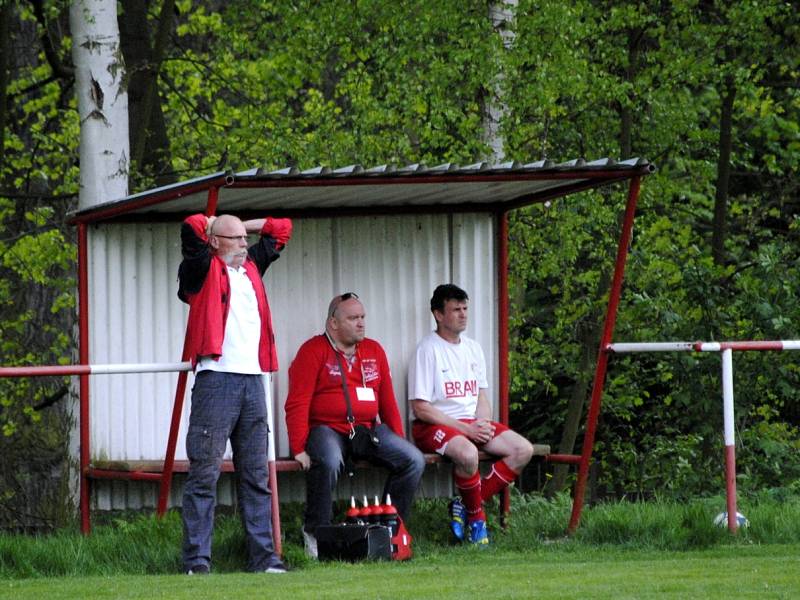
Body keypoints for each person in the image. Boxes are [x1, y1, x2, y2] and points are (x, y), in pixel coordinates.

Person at [177, 212, 292, 574]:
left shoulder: (252, 266)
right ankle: (197, 561)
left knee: (256, 475)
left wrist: (246, 225)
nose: (245, 245)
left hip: (253, 381)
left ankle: (263, 559)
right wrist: (212, 221)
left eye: (246, 238)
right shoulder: (198, 268)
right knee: (204, 474)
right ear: (214, 241)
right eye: (237, 238)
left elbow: (282, 228)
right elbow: (190, 225)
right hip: (216, 381)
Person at [285, 292, 425, 558]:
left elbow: (388, 403)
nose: (361, 323)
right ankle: (316, 534)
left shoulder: (374, 350)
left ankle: (388, 530)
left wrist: (398, 439)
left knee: (413, 460)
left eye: (362, 317)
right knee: (326, 462)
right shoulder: (312, 351)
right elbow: (297, 403)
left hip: (368, 429)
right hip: (327, 429)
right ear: (333, 324)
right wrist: (298, 447)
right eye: (353, 318)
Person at [408, 283, 541, 545]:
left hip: (470, 424)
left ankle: (465, 503)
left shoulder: (473, 348)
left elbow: (481, 396)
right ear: (438, 314)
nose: (463, 314)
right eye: (455, 309)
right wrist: (466, 430)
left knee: (523, 450)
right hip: (433, 425)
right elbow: (420, 408)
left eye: (465, 308)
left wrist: (482, 424)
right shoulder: (427, 350)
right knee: (468, 454)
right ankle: (478, 521)